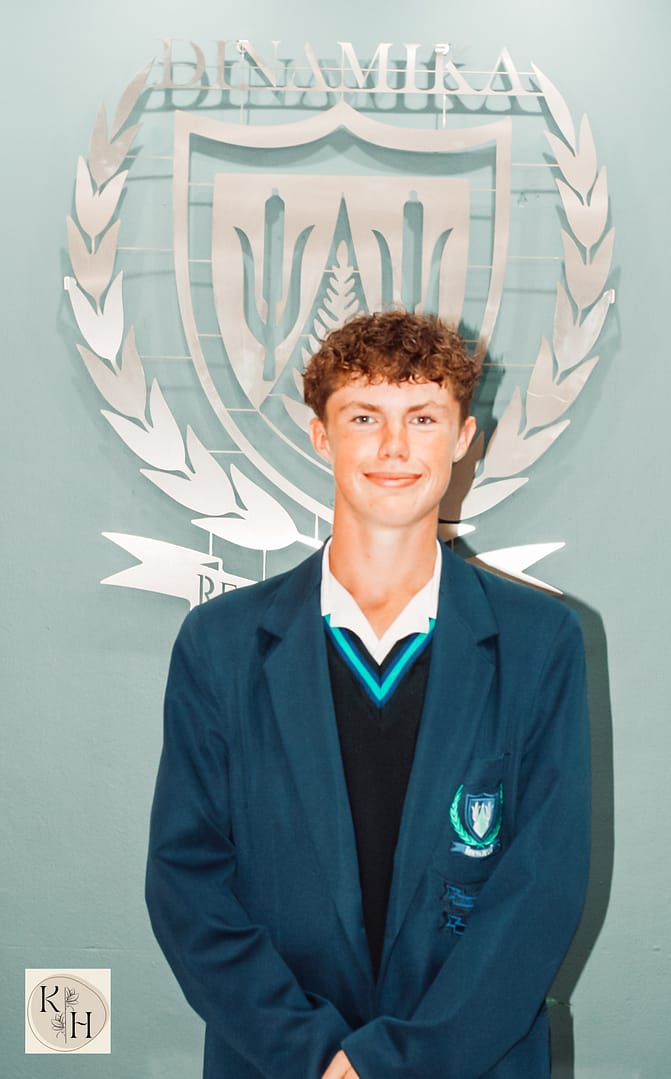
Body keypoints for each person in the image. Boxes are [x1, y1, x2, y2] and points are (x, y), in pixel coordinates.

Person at [146, 310, 590, 1079]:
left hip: (470, 1065)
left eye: (422, 417)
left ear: (462, 437)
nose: (393, 446)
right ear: (320, 434)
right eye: (363, 416)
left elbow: (540, 888)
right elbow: (187, 882)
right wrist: (315, 1054)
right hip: (279, 1064)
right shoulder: (220, 644)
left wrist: (396, 1062)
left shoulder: (539, 640)